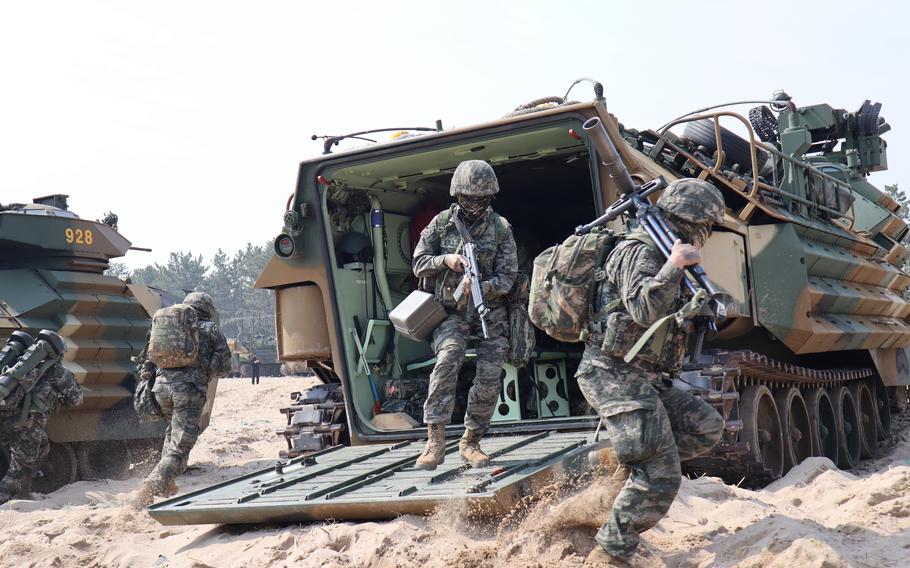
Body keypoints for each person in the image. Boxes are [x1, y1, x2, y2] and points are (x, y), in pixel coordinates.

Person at [578, 178, 727, 565]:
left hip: (646, 376)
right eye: (706, 227)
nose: (706, 235)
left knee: (704, 427)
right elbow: (643, 309)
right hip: (613, 372)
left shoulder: (662, 250)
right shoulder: (640, 251)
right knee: (661, 476)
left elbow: (661, 321)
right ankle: (609, 553)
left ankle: (627, 460)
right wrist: (674, 267)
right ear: (694, 222)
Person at [411, 160, 517, 470]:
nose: (475, 204)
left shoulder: (501, 229)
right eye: (469, 198)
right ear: (458, 196)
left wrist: (481, 286)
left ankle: (471, 441)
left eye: (482, 199)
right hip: (451, 311)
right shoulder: (441, 224)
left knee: (491, 370)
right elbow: (419, 262)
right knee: (448, 358)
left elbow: (508, 276)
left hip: (488, 309)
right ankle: (435, 441)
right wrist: (447, 260)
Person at [133, 292, 231, 508]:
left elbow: (147, 359)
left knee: (173, 433)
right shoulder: (209, 328)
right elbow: (225, 365)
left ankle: (167, 485)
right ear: (207, 310)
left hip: (160, 388)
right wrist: (204, 369)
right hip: (189, 390)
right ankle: (149, 488)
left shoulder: (166, 326)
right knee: (181, 445)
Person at [0, 352, 83, 503]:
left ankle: (24, 492)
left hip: (7, 421)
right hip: (28, 425)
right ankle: (3, 497)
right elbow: (76, 399)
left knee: (42, 447)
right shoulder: (58, 371)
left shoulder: (23, 366)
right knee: (19, 466)